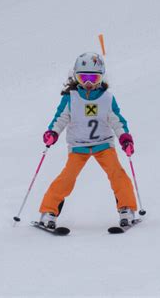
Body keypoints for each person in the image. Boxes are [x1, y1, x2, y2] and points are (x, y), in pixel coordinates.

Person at [38, 52, 137, 228]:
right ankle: (48, 211)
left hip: (103, 144)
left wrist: (125, 138)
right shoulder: (71, 98)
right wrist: (53, 133)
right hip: (78, 146)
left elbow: (117, 120)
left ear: (101, 77)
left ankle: (127, 209)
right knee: (67, 178)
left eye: (93, 78)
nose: (89, 83)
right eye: (84, 78)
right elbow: (60, 118)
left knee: (117, 174)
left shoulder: (107, 98)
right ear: (76, 77)